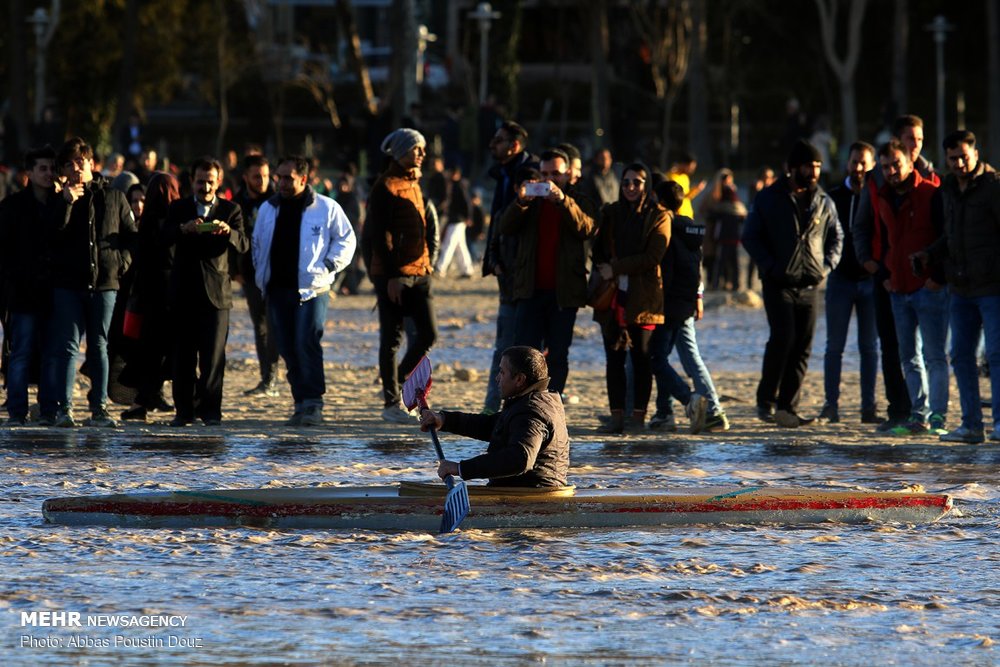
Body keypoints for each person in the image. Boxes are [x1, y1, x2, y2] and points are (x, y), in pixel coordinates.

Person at [741, 139, 843, 427]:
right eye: (809, 166)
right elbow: (750, 237)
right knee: (783, 338)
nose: (814, 172)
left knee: (803, 346)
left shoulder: (823, 200)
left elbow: (837, 237)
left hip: (810, 284)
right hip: (778, 283)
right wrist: (771, 266)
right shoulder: (768, 198)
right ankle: (766, 400)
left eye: (817, 166)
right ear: (793, 168)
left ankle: (787, 406)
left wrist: (826, 267)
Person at [252, 155, 357, 426]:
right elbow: (257, 243)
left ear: (304, 178)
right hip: (276, 289)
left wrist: (328, 265)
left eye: (288, 178)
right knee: (287, 346)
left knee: (306, 342)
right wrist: (260, 272)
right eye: (279, 177)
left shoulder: (325, 207)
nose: (282, 182)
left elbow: (346, 239)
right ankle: (300, 402)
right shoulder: (268, 208)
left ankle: (313, 403)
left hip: (312, 289)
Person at [852, 114, 938, 432]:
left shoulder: (931, 175)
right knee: (892, 345)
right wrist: (869, 262)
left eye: (920, 139)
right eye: (910, 139)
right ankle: (898, 410)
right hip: (885, 272)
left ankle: (928, 411)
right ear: (898, 141)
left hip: (923, 276)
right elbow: (861, 225)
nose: (916, 144)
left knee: (928, 349)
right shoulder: (877, 179)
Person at [46, 137, 138, 428]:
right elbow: (50, 237)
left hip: (105, 283)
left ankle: (99, 409)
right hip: (68, 284)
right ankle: (65, 409)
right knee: (68, 346)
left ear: (91, 163)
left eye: (80, 162)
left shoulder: (113, 196)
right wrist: (66, 203)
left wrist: (121, 263)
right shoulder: (57, 199)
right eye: (68, 164)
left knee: (99, 345)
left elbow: (131, 236)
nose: (75, 168)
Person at [500, 148, 599, 398]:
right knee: (524, 354)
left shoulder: (579, 199)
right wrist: (521, 201)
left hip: (564, 293)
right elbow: (505, 227)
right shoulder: (531, 200)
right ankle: (522, 405)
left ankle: (551, 404)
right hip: (530, 290)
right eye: (544, 174)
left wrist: (563, 201)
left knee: (558, 354)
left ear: (568, 174)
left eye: (555, 173)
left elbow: (587, 228)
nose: (549, 179)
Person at [925, 131, 1000, 443]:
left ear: (975, 153)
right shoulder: (948, 188)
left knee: (996, 354)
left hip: (992, 286)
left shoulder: (994, 185)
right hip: (960, 288)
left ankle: (999, 423)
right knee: (959, 355)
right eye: (953, 158)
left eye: (963, 157)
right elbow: (951, 234)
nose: (958, 163)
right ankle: (971, 425)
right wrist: (930, 255)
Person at [163, 156, 247, 426]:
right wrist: (183, 229)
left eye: (210, 182)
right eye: (201, 182)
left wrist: (228, 232)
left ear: (219, 182)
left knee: (213, 359)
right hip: (183, 293)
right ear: (192, 181)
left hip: (217, 296)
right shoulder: (178, 208)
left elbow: (244, 244)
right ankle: (184, 412)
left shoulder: (231, 210)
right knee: (183, 358)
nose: (206, 187)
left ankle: (211, 412)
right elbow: (162, 237)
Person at [873, 139, 948, 436]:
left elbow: (946, 236)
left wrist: (938, 276)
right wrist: (885, 274)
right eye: (885, 167)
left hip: (928, 287)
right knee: (909, 357)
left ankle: (938, 417)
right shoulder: (882, 197)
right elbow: (884, 241)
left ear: (909, 163)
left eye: (896, 164)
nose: (891, 171)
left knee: (935, 356)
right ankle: (919, 415)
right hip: (898, 289)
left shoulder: (930, 193)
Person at [363, 128, 438, 424]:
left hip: (420, 271)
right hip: (393, 276)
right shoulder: (384, 186)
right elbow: (379, 237)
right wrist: (392, 276)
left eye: (423, 149)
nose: (422, 154)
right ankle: (391, 401)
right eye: (416, 149)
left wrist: (428, 262)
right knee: (392, 339)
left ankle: (395, 381)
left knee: (429, 334)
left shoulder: (414, 181)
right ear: (400, 152)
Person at [419, 346, 569, 487]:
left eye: (502, 373)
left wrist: (460, 468)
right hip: (525, 488)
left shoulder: (531, 412)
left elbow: (519, 459)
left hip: (532, 492)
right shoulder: (537, 401)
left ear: (519, 380)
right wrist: (444, 420)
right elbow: (491, 425)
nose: (497, 378)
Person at [592, 163, 669, 433]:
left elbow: (653, 257)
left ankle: (637, 419)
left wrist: (616, 267)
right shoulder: (611, 213)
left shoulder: (659, 216)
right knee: (613, 359)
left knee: (641, 359)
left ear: (647, 185)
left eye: (637, 182)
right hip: (612, 296)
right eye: (626, 182)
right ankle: (616, 418)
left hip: (644, 296)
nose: (631, 187)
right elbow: (597, 249)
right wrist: (605, 268)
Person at [649, 180, 728, 434]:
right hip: (686, 303)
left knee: (658, 358)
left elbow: (665, 269)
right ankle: (701, 412)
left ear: (659, 200)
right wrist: (697, 296)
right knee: (684, 357)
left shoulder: (665, 226)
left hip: (669, 305)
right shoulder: (690, 228)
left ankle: (696, 403)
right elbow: (696, 266)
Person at [820, 141, 880, 424]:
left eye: (864, 163)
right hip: (840, 280)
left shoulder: (878, 196)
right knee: (834, 347)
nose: (858, 168)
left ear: (873, 166)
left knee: (869, 347)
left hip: (871, 281)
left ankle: (869, 408)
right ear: (847, 163)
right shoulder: (832, 198)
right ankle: (831, 405)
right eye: (854, 162)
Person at [0, 146, 59, 425]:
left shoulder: (60, 203)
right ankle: (16, 411)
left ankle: (48, 410)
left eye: (52, 168)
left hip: (54, 291)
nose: (48, 174)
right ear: (30, 173)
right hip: (22, 291)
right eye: (42, 168)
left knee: (50, 353)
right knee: (21, 352)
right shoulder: (13, 206)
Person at [482, 120, 535, 414]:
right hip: (507, 271)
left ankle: (512, 407)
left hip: (528, 275)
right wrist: (493, 259)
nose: (492, 145)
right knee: (504, 344)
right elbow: (498, 225)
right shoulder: (503, 175)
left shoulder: (528, 175)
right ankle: (494, 407)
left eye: (499, 140)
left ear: (514, 146)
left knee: (526, 347)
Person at [119, 171, 180, 421]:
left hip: (147, 296)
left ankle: (143, 401)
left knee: (151, 352)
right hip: (169, 294)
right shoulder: (173, 221)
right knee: (171, 351)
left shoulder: (146, 222)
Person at [234, 154, 280, 397]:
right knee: (260, 327)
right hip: (250, 274)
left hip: (278, 273)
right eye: (256, 176)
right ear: (246, 177)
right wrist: (234, 271)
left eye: (265, 176)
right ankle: (267, 378)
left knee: (275, 326)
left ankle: (274, 375)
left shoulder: (277, 200)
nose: (262, 181)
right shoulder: (238, 203)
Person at [435, 166, 474, 278]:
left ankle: (440, 269)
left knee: (448, 244)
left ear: (455, 174)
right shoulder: (453, 185)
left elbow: (467, 202)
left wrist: (469, 217)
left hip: (458, 220)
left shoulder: (459, 186)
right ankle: (467, 270)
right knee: (460, 247)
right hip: (456, 219)